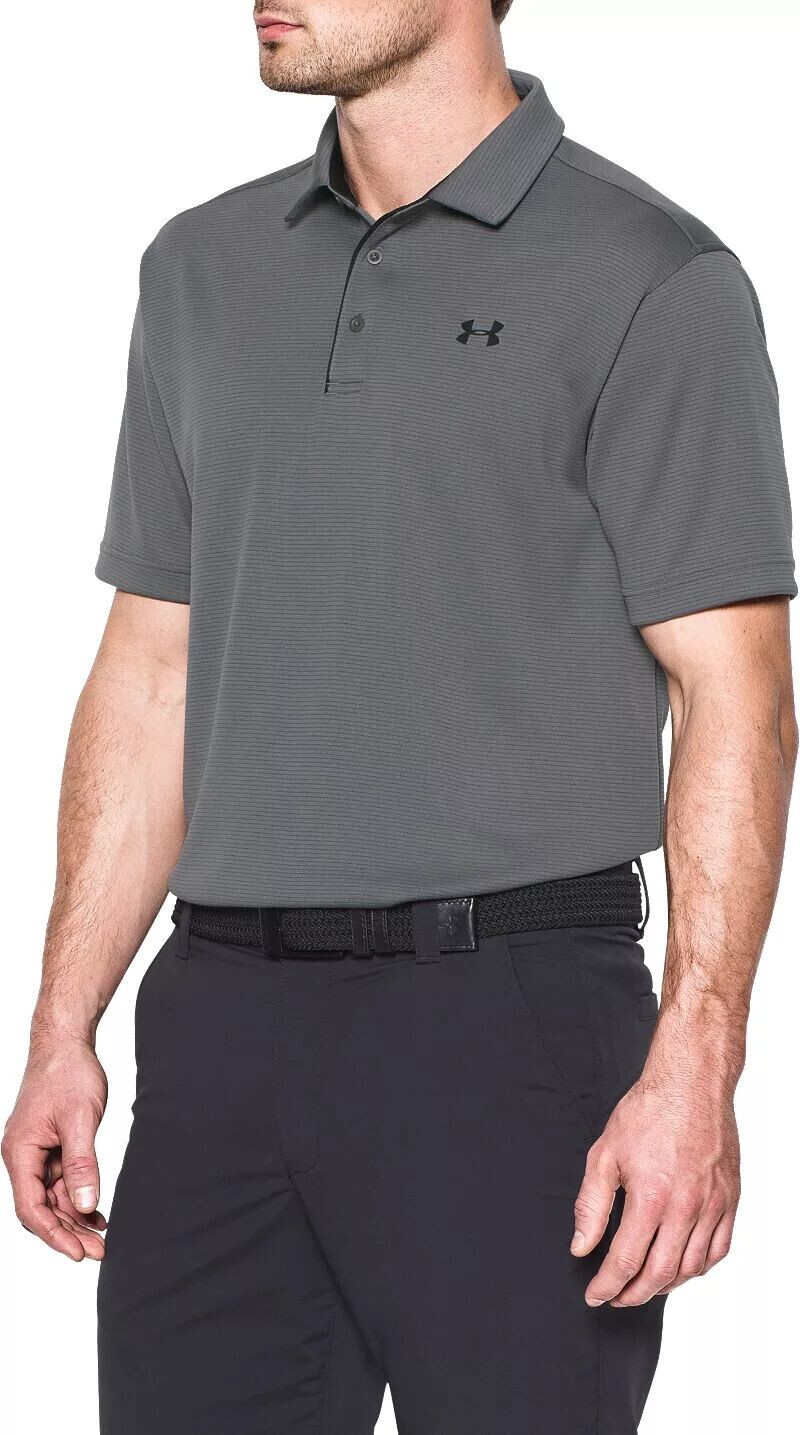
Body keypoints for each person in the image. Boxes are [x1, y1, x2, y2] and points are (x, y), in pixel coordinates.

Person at [3, 2, 796, 1432]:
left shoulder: (648, 272)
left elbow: (734, 689)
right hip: (222, 1019)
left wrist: (699, 1062)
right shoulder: (199, 267)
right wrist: (63, 1023)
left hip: (506, 1021)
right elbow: (151, 668)